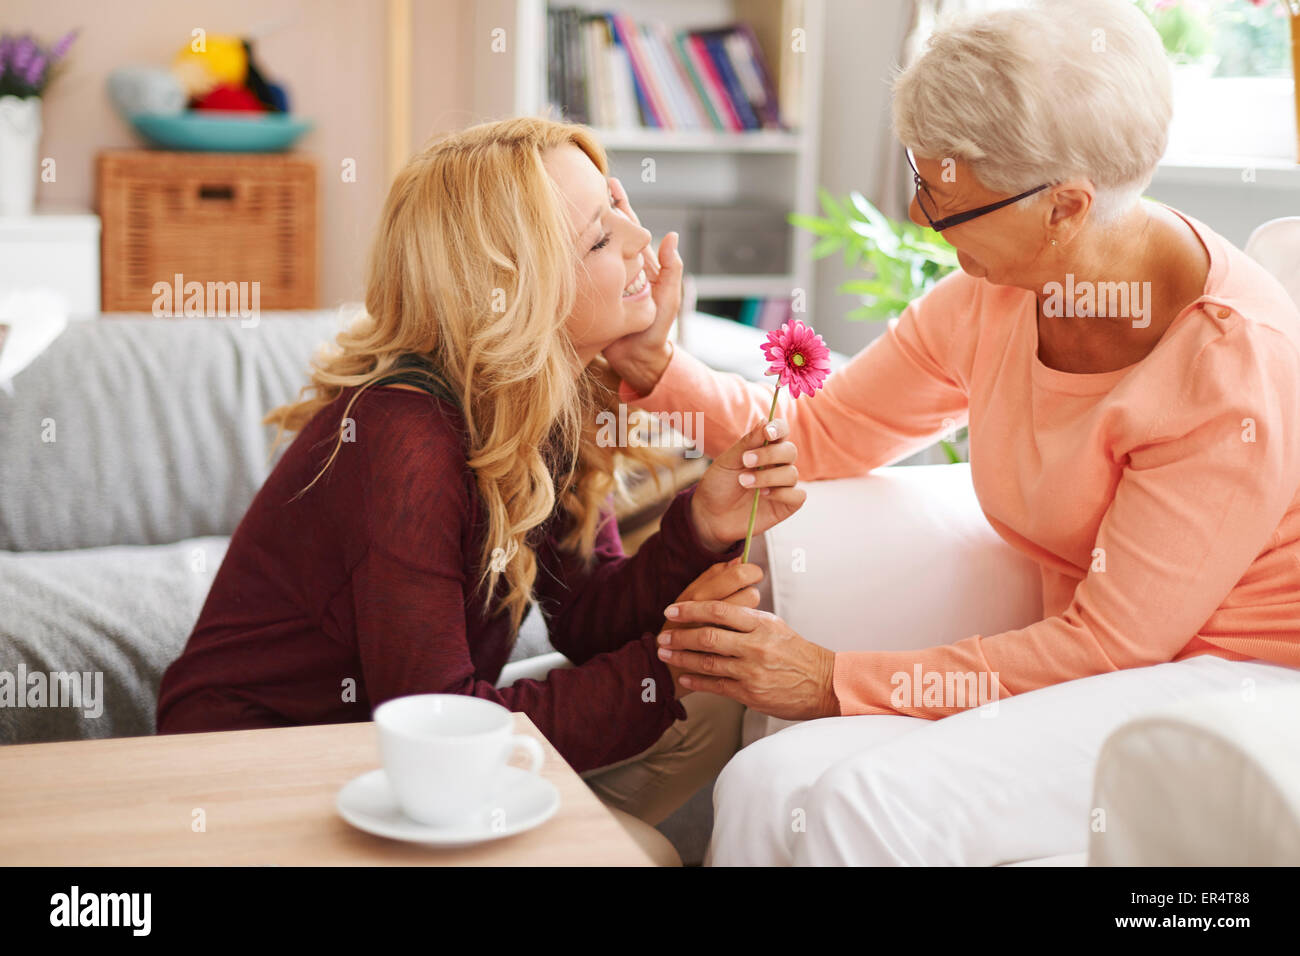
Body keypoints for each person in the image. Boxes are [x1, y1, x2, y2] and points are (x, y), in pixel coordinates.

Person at [603, 0, 1300, 865]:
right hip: (1098, 663)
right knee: (764, 784)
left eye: (945, 191)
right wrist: (654, 368)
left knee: (865, 805)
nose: (918, 207)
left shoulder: (1227, 368)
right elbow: (821, 435)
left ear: (1065, 207)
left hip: (1228, 693)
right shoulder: (996, 292)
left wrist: (832, 680)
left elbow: (1115, 645)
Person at [155, 117, 807, 863]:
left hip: (404, 752)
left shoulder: (545, 395)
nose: (638, 241)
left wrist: (699, 527)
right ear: (514, 292)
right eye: (598, 238)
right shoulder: (405, 435)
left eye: (619, 205)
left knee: (715, 702)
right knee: (644, 850)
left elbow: (587, 618)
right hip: (267, 772)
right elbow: (440, 719)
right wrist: (665, 664)